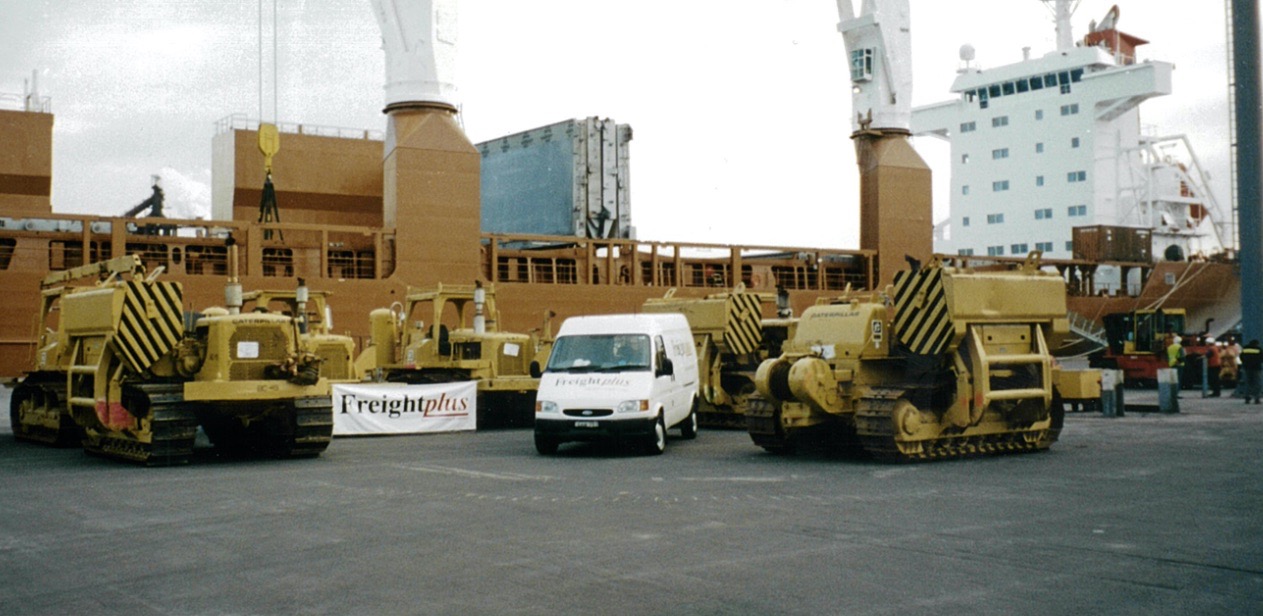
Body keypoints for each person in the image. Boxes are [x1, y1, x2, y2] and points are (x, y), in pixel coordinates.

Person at [1239, 339, 1262, 404]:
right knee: (1257, 383)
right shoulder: (1258, 349)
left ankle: (1247, 397)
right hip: (1256, 368)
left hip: (1247, 368)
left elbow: (1241, 356)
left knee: (1248, 383)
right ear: (1256, 344)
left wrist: (1245, 363)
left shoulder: (1245, 348)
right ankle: (1257, 398)